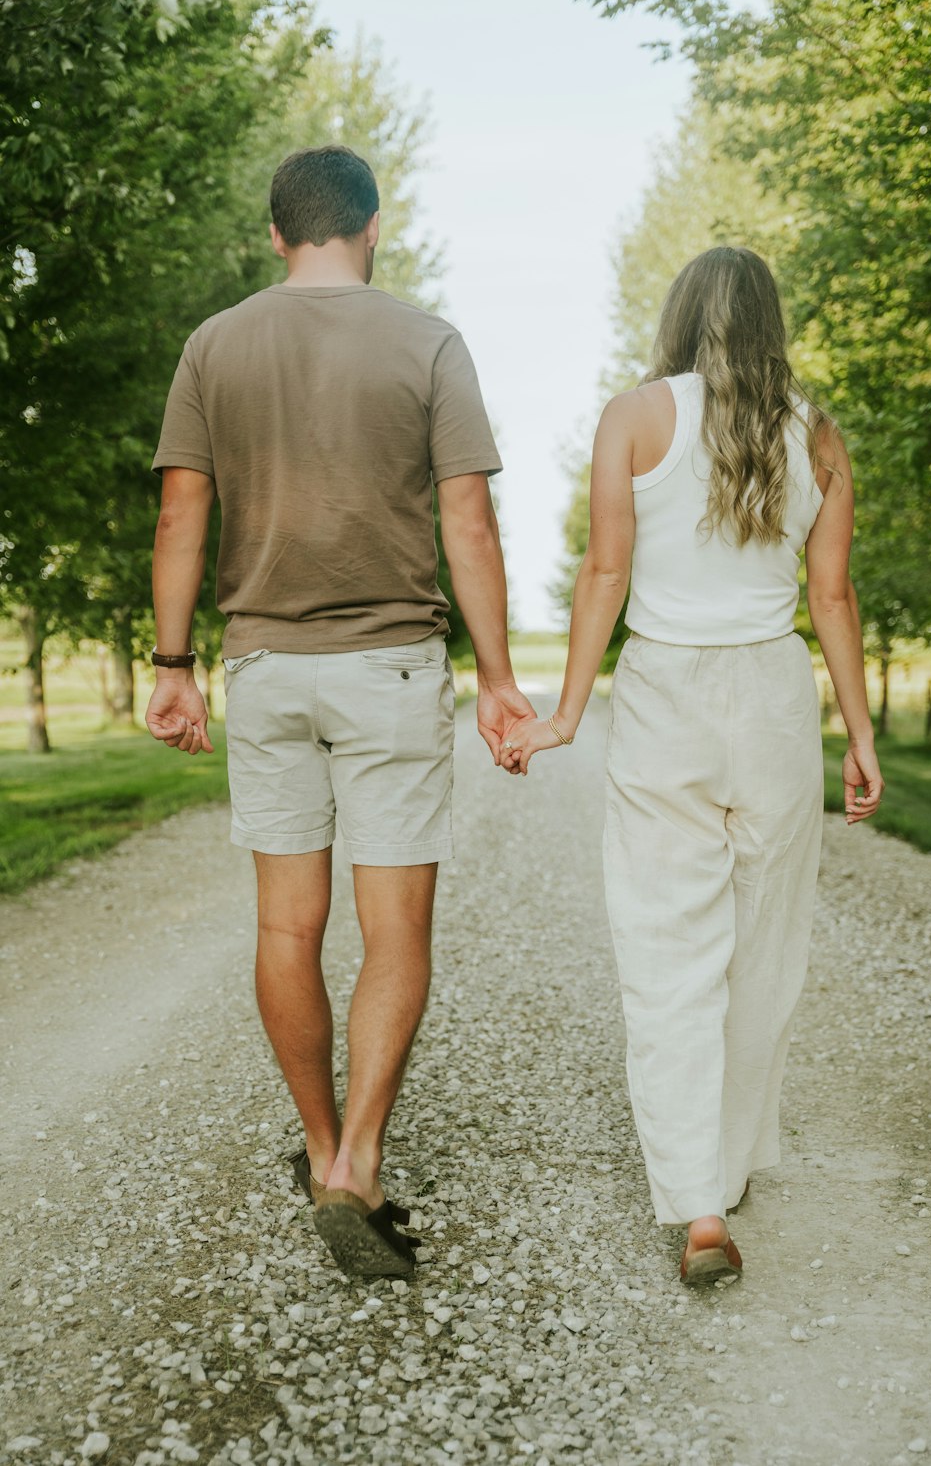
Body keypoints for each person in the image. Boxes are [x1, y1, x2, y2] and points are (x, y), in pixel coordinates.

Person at [144, 144, 534, 1278]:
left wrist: (175, 666)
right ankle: (358, 1158)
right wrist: (500, 678)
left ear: (276, 234)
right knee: (395, 929)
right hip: (392, 669)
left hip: (263, 668)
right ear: (373, 224)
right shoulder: (428, 341)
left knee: (285, 927)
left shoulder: (213, 345)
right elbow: (470, 528)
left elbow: (183, 517)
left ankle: (317, 1147)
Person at [507, 246, 884, 1286]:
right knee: (763, 945)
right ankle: (723, 1160)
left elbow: (604, 572)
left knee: (667, 947)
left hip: (666, 693)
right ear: (770, 322)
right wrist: (857, 733)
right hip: (769, 696)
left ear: (679, 317)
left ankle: (698, 1205)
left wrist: (565, 713)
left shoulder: (632, 416)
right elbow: (832, 600)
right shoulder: (816, 432)